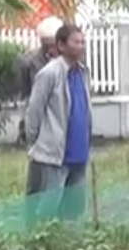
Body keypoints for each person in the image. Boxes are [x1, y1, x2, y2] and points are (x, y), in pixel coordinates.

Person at [23, 22, 92, 222]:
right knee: (47, 209)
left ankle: (68, 247)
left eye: (82, 42)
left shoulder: (82, 72)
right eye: (76, 42)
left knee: (73, 210)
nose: (81, 46)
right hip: (54, 155)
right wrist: (37, 144)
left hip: (78, 152)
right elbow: (33, 112)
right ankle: (43, 246)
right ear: (61, 46)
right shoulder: (49, 74)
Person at [14, 16, 61, 144]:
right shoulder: (29, 61)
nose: (51, 50)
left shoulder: (70, 61)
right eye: (46, 46)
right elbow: (25, 93)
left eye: (53, 45)